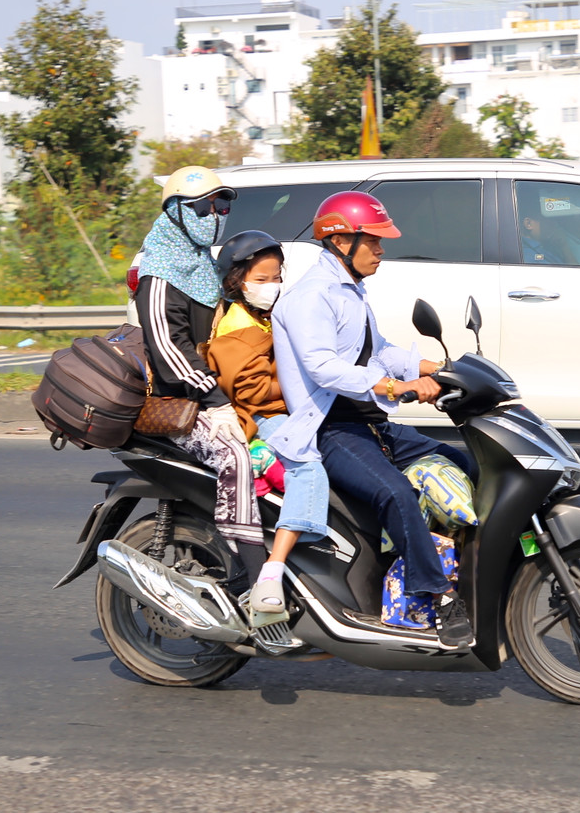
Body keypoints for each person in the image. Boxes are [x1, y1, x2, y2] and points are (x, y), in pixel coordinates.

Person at [266, 191, 476, 648]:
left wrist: (441, 369)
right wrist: (393, 387)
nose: (381, 250)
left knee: (461, 461)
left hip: (370, 423)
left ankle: (469, 564)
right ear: (341, 241)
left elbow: (380, 350)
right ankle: (439, 597)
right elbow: (322, 366)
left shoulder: (349, 290)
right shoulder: (311, 297)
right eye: (374, 241)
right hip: (330, 428)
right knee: (396, 493)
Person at [135, 166, 265, 580]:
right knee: (234, 455)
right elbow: (170, 350)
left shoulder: (203, 266)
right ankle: (252, 572)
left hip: (213, 394)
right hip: (180, 403)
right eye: (202, 207)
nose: (214, 215)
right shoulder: (158, 275)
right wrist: (216, 401)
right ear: (174, 211)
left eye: (220, 206)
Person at [203, 230, 330, 625]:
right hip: (262, 418)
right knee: (307, 467)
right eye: (261, 279)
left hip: (285, 411)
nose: (271, 286)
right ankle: (273, 571)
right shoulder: (236, 327)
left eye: (276, 277)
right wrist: (302, 385)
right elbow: (255, 393)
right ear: (236, 282)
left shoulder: (264, 317)